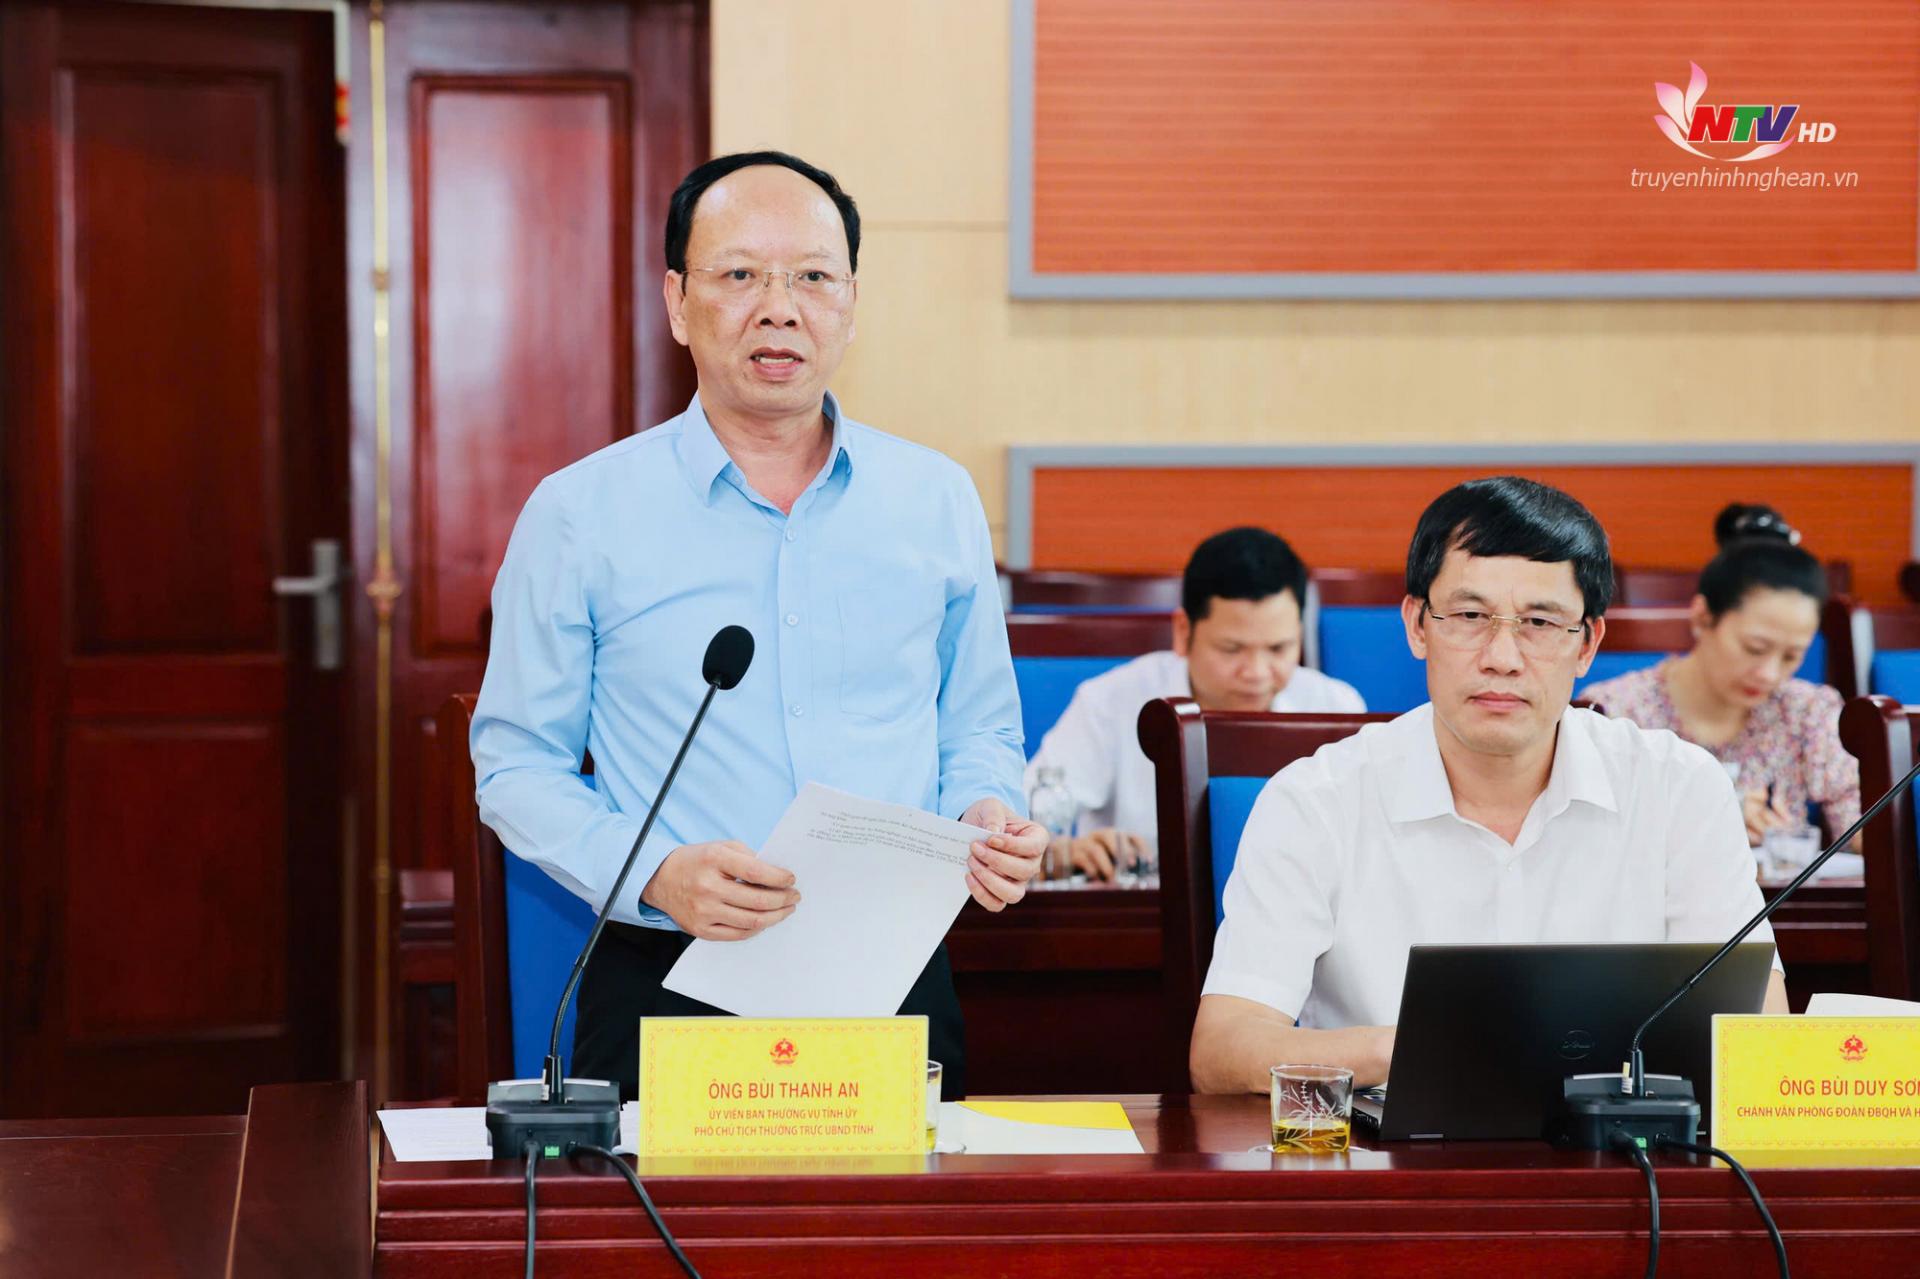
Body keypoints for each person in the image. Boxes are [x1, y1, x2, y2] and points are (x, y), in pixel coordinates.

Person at [470, 151, 1046, 1100]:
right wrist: (655, 873)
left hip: (891, 971)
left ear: (850, 304)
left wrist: (983, 809)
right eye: (740, 274)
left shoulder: (934, 499)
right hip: (669, 974)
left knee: (904, 1205)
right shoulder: (580, 514)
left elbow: (979, 725)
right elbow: (516, 764)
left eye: (813, 277)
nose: (780, 308)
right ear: (677, 301)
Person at [1189, 477, 1788, 1094]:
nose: (1502, 657)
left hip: (1623, 1148)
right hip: (1382, 1147)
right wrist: (1423, 1046)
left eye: (1540, 622)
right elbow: (1224, 1049)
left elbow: (1758, 1033)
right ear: (1417, 626)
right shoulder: (1315, 800)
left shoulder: (1679, 789)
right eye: (1470, 616)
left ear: (1587, 644)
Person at [1024, 527, 1364, 880]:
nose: (1256, 672)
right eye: (1232, 649)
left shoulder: (1335, 708)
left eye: (1279, 649)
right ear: (1183, 631)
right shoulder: (1110, 702)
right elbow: (1023, 820)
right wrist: (1063, 852)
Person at [1582, 503, 1859, 849]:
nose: (1769, 674)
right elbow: (1585, 842)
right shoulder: (1616, 712)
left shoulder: (1809, 710)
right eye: (1754, 648)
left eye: (1791, 656)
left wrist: (1786, 837)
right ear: (1702, 617)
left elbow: (1867, 828)